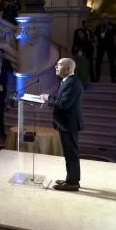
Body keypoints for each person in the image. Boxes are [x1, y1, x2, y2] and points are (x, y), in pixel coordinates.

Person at [41, 59, 84, 191]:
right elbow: (61, 100)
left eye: (59, 65)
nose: (55, 67)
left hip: (69, 123)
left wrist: (48, 98)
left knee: (71, 153)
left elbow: (64, 104)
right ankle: (71, 178)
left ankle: (72, 182)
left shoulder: (72, 82)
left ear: (68, 68)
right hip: (66, 122)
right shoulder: (66, 81)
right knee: (69, 153)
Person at [94, 13, 116, 83]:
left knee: (112, 61)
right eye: (103, 18)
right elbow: (95, 35)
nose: (104, 19)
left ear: (108, 18)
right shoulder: (99, 26)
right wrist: (96, 42)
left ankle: (113, 77)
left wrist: (115, 43)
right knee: (98, 61)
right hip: (101, 45)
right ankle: (97, 77)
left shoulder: (113, 26)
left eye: (105, 17)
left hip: (110, 45)